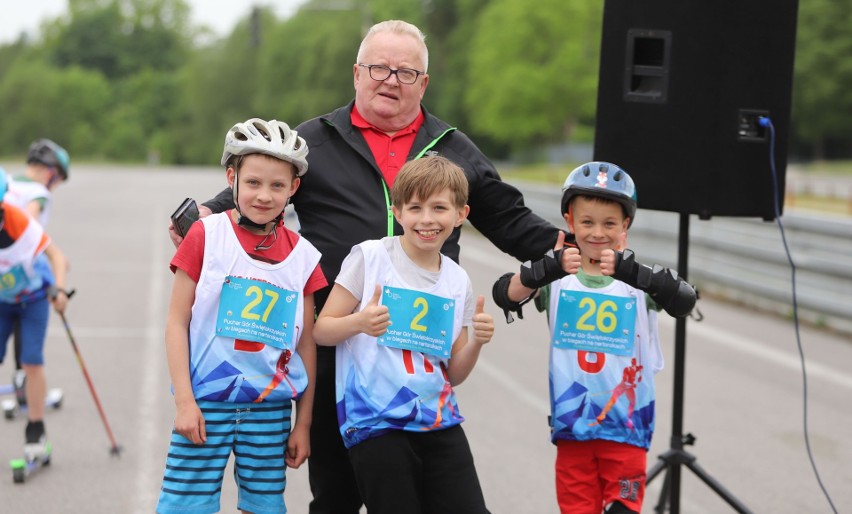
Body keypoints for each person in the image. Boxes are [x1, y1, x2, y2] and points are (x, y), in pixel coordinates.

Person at [174, 20, 561, 513]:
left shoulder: (453, 148)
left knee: (417, 493)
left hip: (418, 351)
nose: (390, 80)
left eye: (405, 72)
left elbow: (509, 219)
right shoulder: (317, 137)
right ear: (356, 73)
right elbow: (263, 184)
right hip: (337, 338)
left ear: (424, 83)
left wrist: (570, 244)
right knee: (337, 494)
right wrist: (209, 211)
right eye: (379, 67)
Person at [491, 161, 697, 514]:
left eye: (609, 224)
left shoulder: (636, 282)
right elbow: (504, 294)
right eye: (587, 222)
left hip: (627, 429)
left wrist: (636, 273)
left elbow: (685, 299)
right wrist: (544, 268)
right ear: (570, 222)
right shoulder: (560, 279)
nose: (597, 232)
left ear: (625, 226)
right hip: (574, 429)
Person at [156, 118, 326, 514]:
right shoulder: (205, 235)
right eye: (252, 182)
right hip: (205, 403)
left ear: (293, 188)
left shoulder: (303, 257)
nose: (264, 195)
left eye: (277, 185)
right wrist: (184, 401)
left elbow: (305, 344)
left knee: (264, 506)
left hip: (269, 408)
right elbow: (176, 323)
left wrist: (303, 423)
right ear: (231, 178)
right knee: (185, 506)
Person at [313, 156, 494, 513]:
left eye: (439, 208)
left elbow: (453, 373)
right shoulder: (371, 256)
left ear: (460, 214)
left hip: (438, 418)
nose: (427, 219)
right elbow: (322, 330)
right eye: (415, 208)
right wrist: (360, 322)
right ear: (397, 212)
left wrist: (475, 342)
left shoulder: (457, 280)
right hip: (377, 421)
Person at [0, 167, 70, 460]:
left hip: (33, 299)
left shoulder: (20, 222)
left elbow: (57, 258)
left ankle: (36, 429)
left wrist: (61, 290)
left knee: (30, 360)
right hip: (3, 301)